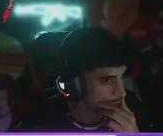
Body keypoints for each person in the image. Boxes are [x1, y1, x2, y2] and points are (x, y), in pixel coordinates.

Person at [11, 27, 153, 132]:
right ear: (74, 84)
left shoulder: (133, 108)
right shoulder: (40, 122)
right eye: (106, 80)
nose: (121, 92)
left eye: (121, 77)